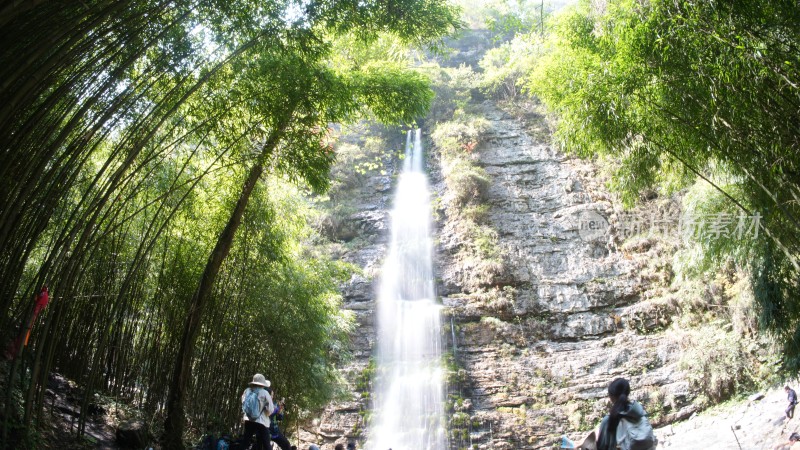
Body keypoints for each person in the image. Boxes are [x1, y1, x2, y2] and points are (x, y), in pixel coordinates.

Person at [594, 378, 655, 450]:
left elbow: (601, 447)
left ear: (611, 397)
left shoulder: (608, 420)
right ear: (628, 392)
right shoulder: (640, 413)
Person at [241, 374, 274, 450]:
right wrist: (264, 412)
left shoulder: (247, 391)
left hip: (248, 419)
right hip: (261, 422)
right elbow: (270, 409)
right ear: (262, 384)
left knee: (245, 442)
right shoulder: (264, 393)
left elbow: (243, 403)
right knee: (266, 444)